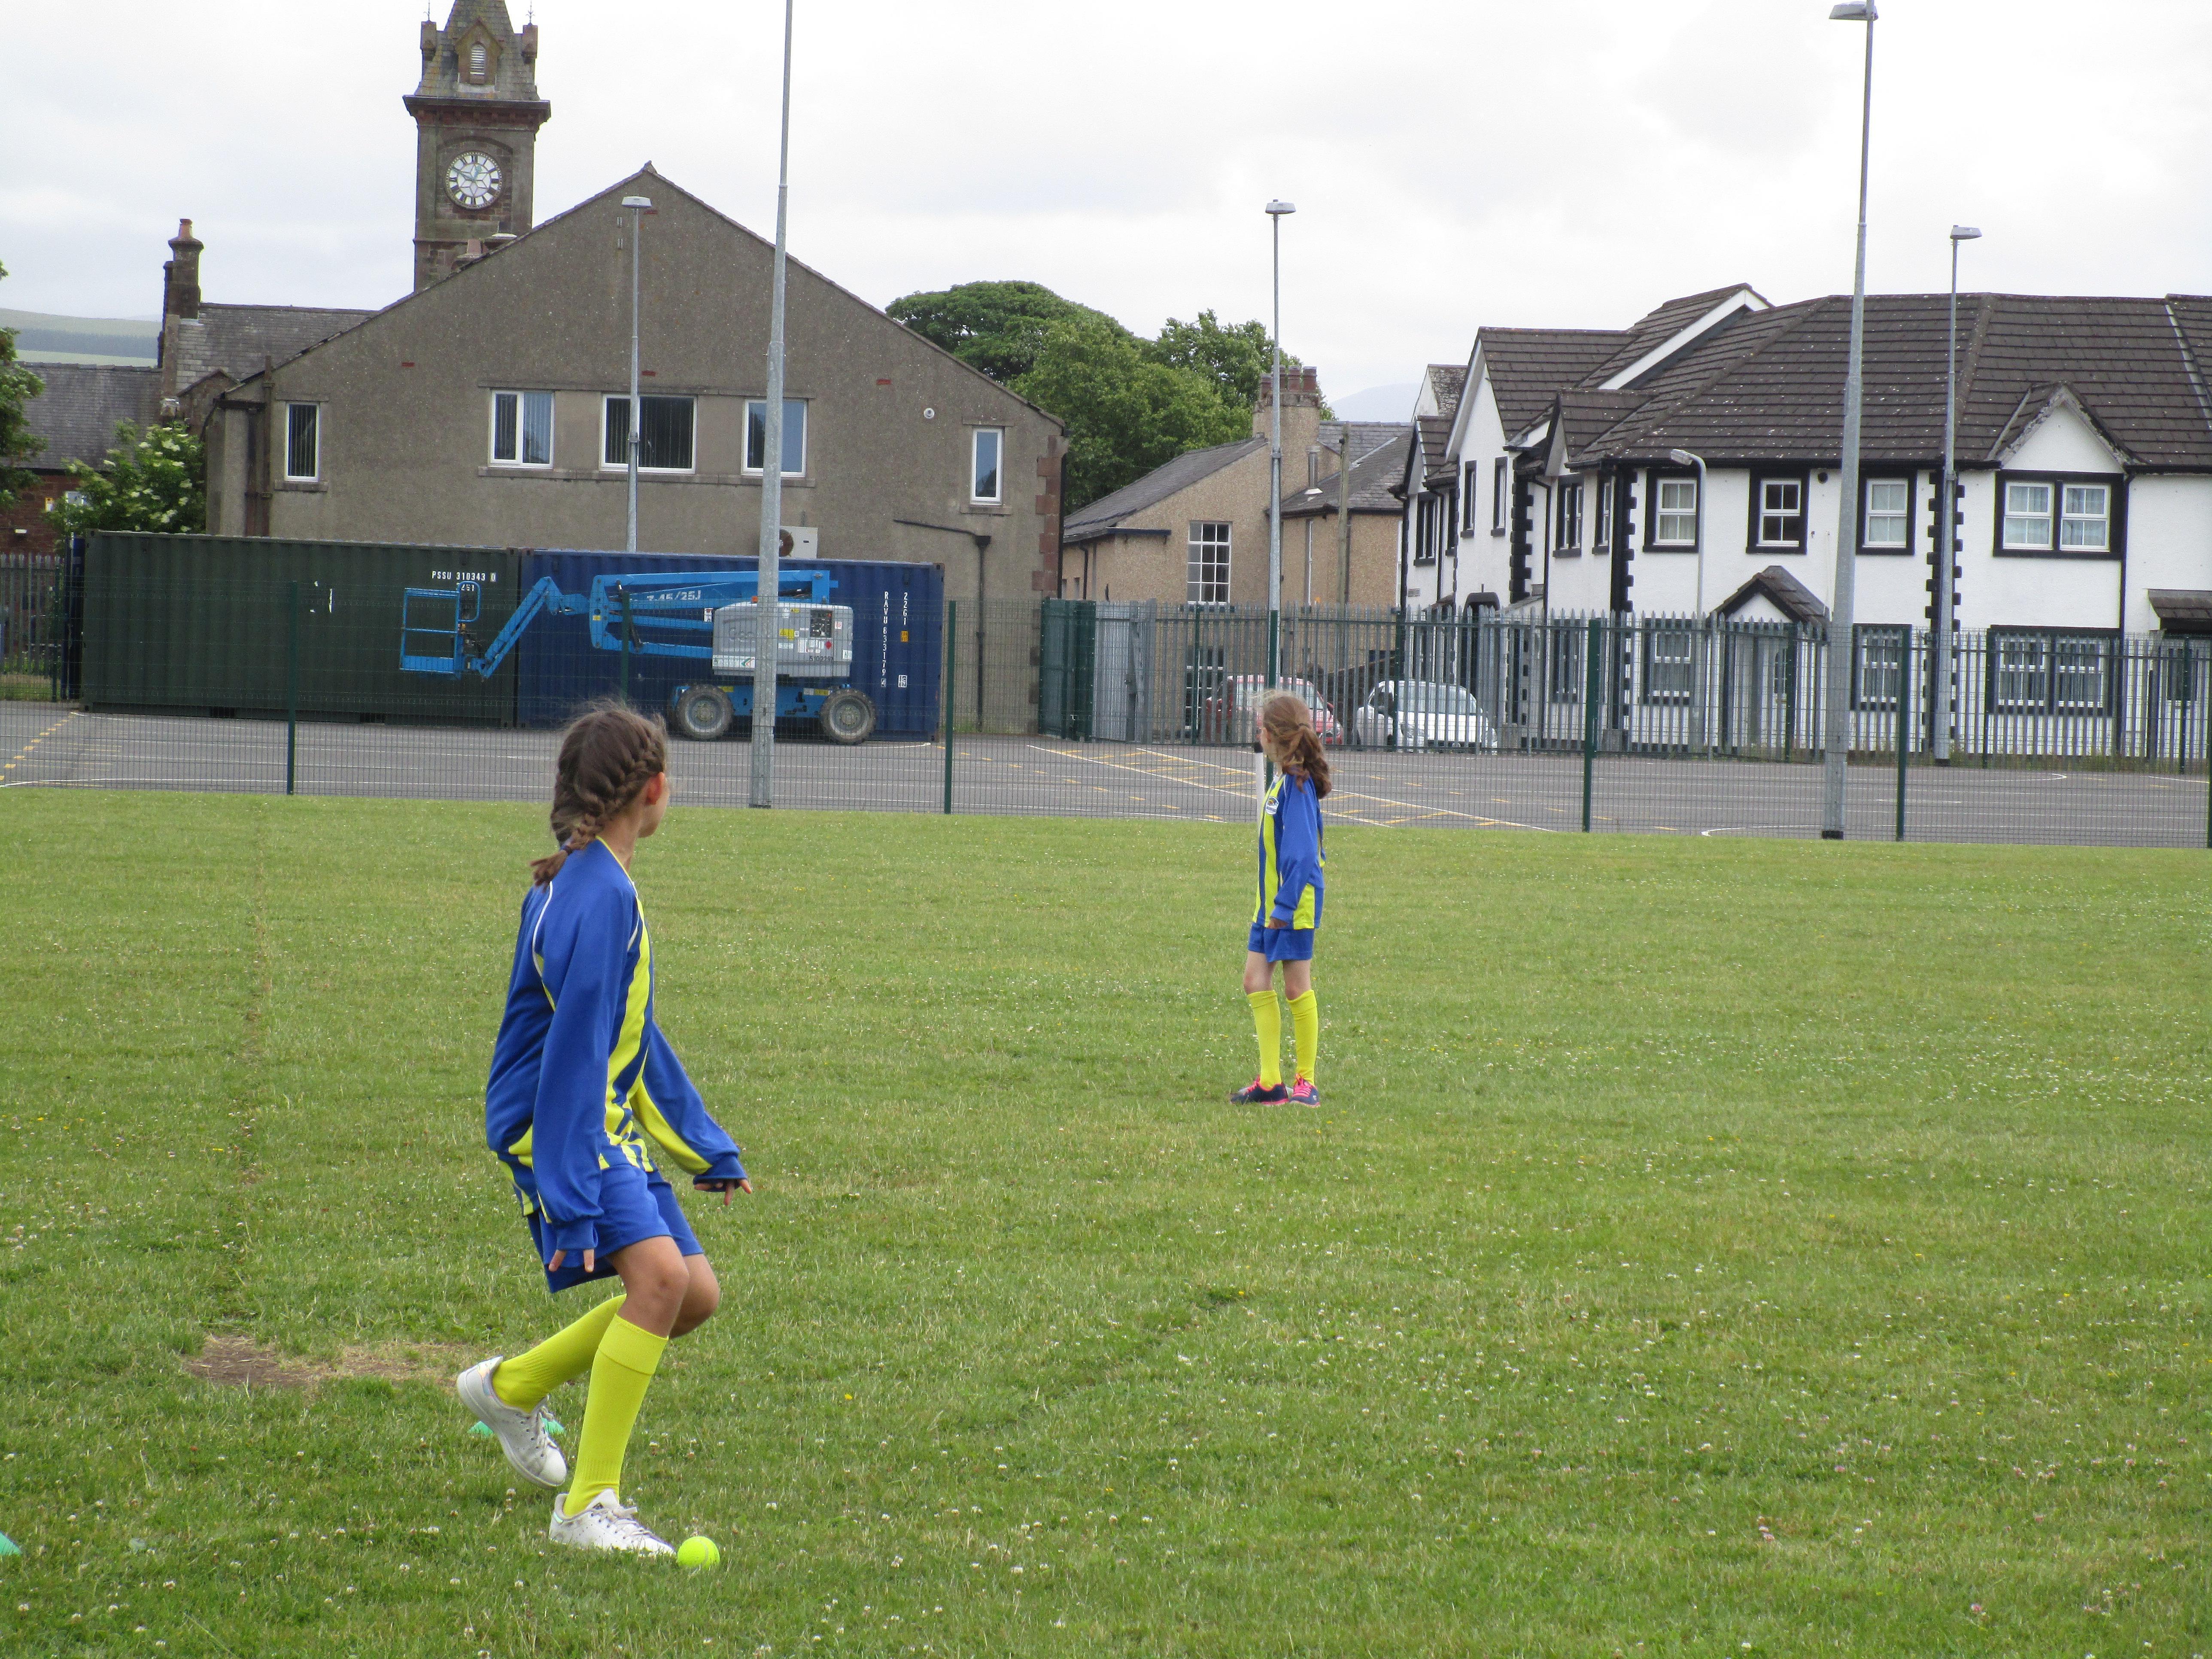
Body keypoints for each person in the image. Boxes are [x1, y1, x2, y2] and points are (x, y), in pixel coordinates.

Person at [456, 704, 751, 1558]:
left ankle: (511, 1388)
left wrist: (702, 1145)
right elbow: (577, 1050)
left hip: (594, 1119)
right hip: (563, 1123)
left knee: (692, 1295)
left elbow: (630, 1034)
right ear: (653, 790)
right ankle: (586, 1506)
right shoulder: (599, 894)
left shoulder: (588, 880)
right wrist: (573, 1191)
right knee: (659, 1281)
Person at [1231, 691, 1329, 1107]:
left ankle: (1306, 1083)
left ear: (1272, 735)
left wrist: (1285, 907)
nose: (1257, 734)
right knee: (1254, 981)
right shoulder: (1282, 779)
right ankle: (1270, 1083)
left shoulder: (1298, 784)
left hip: (1291, 905)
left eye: (1260, 728)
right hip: (1269, 905)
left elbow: (1303, 855)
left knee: (1295, 987)